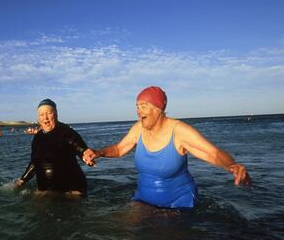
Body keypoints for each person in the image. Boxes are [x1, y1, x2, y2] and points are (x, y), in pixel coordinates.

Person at [83, 86, 252, 208]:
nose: (138, 111)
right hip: (143, 200)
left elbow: (212, 153)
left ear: (158, 109)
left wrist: (231, 165)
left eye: (143, 106)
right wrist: (98, 152)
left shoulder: (179, 131)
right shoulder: (138, 128)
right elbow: (120, 149)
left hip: (179, 204)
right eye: (137, 106)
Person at [14, 99, 94, 196]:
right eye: (41, 115)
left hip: (72, 188)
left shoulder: (66, 132)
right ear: (38, 118)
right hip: (46, 189)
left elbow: (80, 148)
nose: (45, 118)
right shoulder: (38, 137)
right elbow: (35, 162)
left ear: (56, 114)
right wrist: (23, 179)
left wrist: (87, 157)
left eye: (49, 113)